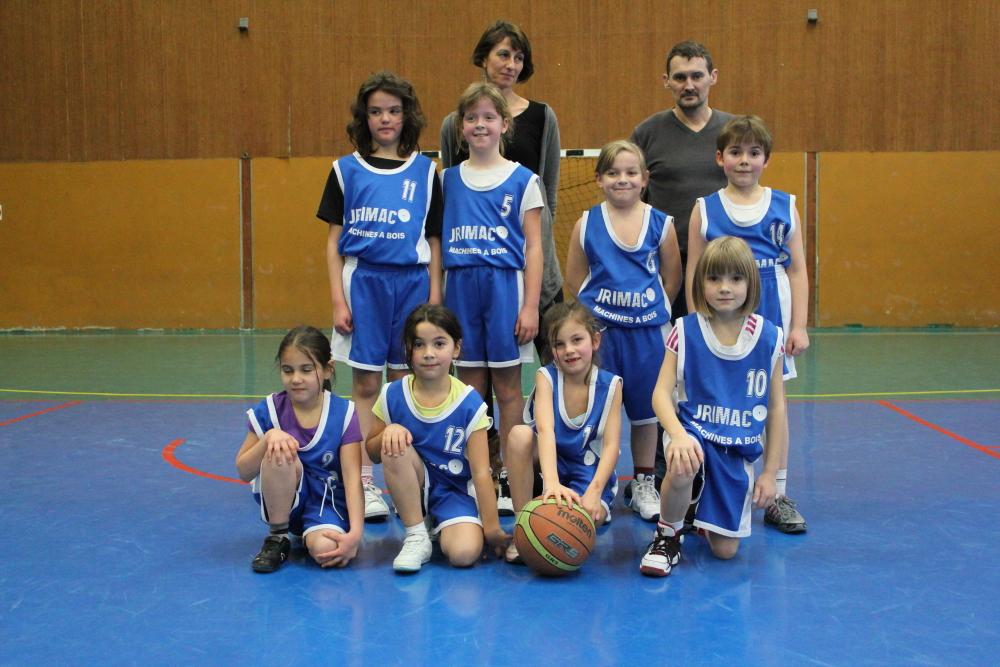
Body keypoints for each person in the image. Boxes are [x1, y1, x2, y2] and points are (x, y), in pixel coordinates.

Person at [441, 20, 563, 513]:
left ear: (503, 126)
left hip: (510, 286)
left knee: (512, 386)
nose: (481, 125)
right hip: (462, 290)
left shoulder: (525, 171)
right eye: (472, 119)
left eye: (516, 55)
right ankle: (479, 473)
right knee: (471, 389)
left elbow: (539, 228)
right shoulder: (447, 177)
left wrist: (532, 302)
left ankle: (518, 475)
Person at [316, 71, 443, 522]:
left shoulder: (427, 172)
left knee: (408, 385)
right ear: (363, 118)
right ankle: (367, 485)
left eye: (393, 110)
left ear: (406, 116)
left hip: (411, 284)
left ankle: (412, 478)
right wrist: (337, 299)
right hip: (364, 283)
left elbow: (433, 242)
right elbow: (333, 243)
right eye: (375, 111)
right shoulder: (345, 169)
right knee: (367, 384)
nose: (385, 119)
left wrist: (433, 299)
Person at [685, 115, 809, 533]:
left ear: (766, 160)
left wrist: (799, 326)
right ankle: (708, 484)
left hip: (769, 307)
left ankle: (777, 490)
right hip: (716, 317)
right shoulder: (705, 208)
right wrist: (692, 324)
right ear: (720, 158)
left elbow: (797, 271)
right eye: (736, 152)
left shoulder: (783, 205)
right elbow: (693, 273)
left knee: (775, 401)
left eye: (753, 153)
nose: (744, 160)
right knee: (716, 396)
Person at [640, 237, 787, 577]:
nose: (724, 288)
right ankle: (667, 535)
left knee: (725, 551)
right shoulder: (685, 330)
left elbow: (777, 409)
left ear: (750, 282)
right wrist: (676, 435)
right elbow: (661, 394)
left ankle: (694, 512)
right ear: (700, 282)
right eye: (714, 279)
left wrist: (770, 473)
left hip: (735, 445)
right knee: (683, 463)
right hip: (693, 432)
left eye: (736, 279)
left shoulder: (769, 337)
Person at [630, 40, 734, 492]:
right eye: (680, 77)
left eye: (697, 75)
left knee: (713, 370)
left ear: (713, 77)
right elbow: (632, 200)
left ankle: (718, 462)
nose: (688, 84)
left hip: (722, 281)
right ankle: (655, 470)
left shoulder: (732, 132)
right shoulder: (648, 133)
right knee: (664, 374)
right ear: (666, 81)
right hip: (664, 279)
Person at [564, 140, 681, 522]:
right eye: (613, 173)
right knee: (599, 412)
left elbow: (672, 278)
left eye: (631, 173)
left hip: (648, 334)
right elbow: (574, 278)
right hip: (603, 335)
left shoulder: (661, 224)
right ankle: (600, 484)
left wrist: (648, 309)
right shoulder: (586, 223)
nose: (622, 180)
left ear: (645, 179)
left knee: (646, 415)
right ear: (598, 179)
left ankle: (644, 483)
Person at [365, 304, 509, 572]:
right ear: (408, 349)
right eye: (419, 344)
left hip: (454, 492)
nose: (429, 353)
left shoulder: (469, 402)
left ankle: (442, 526)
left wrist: (492, 528)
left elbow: (480, 472)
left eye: (439, 343)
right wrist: (388, 432)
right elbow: (373, 451)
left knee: (464, 555)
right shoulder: (392, 394)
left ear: (456, 348)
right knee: (394, 445)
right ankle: (416, 534)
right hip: (414, 486)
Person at [236, 326, 364, 573]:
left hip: (327, 504)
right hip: (283, 500)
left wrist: (355, 534)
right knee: (279, 452)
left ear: (328, 369)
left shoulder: (344, 413)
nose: (296, 379)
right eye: (288, 370)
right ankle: (278, 537)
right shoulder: (271, 409)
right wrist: (268, 439)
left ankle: (312, 532)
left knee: (327, 551)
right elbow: (243, 471)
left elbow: (351, 478)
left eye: (306, 369)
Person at [504, 301, 623, 563]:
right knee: (519, 435)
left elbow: (612, 446)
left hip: (587, 470)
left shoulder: (611, 385)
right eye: (559, 344)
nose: (569, 350)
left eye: (577, 340)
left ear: (595, 340)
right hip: (550, 464)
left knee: (574, 530)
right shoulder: (546, 377)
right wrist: (552, 484)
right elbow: (545, 431)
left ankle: (591, 500)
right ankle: (521, 525)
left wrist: (594, 491)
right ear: (551, 350)